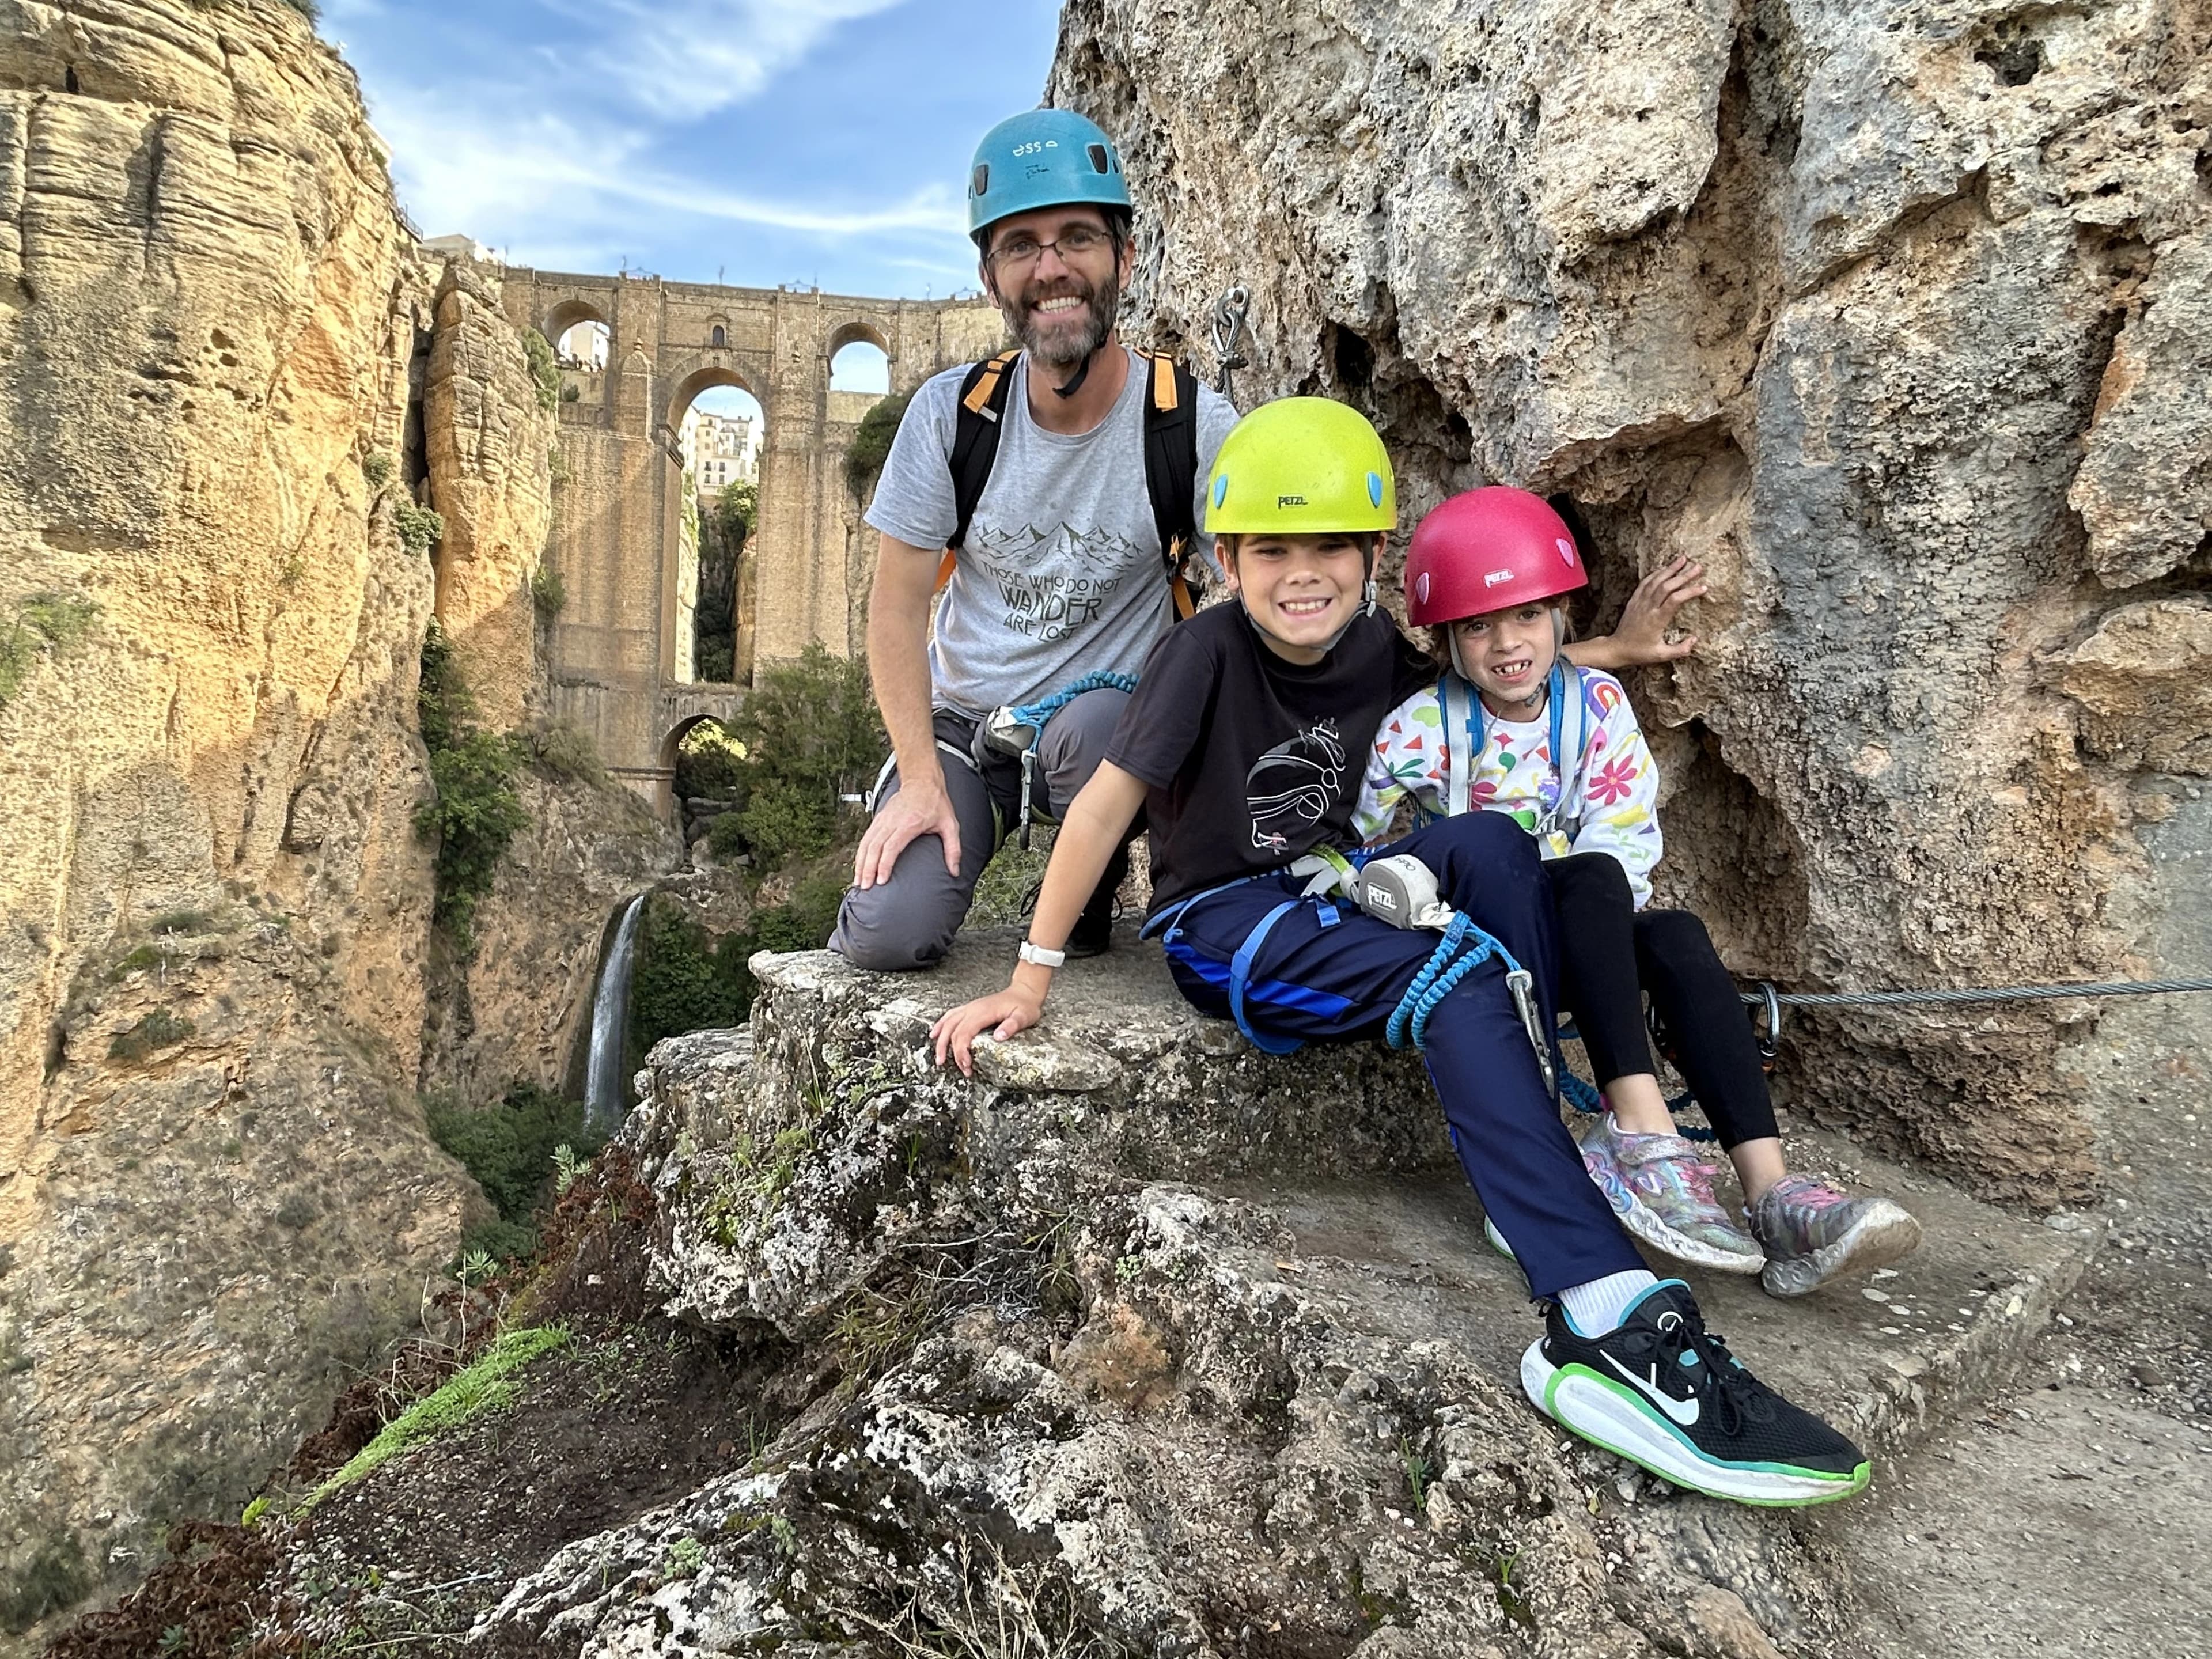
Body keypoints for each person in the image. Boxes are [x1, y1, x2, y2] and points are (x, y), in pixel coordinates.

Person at [933, 399, 1872, 1506]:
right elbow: (1103, 808)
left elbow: (1502, 678)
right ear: (1227, 559)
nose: (1301, 575)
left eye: (1329, 545)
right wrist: (1028, 980)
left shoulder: (1377, 648)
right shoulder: (1205, 651)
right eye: (1270, 550)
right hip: (1229, 919)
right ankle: (1601, 1321)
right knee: (1458, 969)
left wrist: (1609, 648)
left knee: (1496, 843)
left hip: (1335, 891)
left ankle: (1538, 1153)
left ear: (1373, 556)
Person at [1358, 486, 1923, 1297]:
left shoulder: (1594, 705)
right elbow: (1374, 849)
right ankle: (1642, 1138)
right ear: (1447, 637)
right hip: (1471, 939)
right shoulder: (1416, 730)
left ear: (1559, 616)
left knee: (1676, 936)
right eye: (1477, 626)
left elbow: (1623, 835)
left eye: (1526, 616)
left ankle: (1774, 1197)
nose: (1506, 643)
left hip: (1579, 929)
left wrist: (1613, 657)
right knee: (1590, 879)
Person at [830, 108, 1240, 971]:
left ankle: (1084, 883)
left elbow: (1269, 585)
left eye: (1078, 237)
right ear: (991, 278)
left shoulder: (1186, 422)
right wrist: (918, 779)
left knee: (1096, 729)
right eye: (1021, 246)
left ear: (1124, 258)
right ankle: (926, 837)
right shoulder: (953, 415)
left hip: (1101, 730)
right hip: (963, 725)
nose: (1052, 268)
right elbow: (897, 610)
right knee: (888, 935)